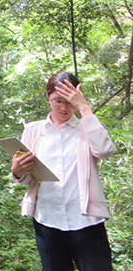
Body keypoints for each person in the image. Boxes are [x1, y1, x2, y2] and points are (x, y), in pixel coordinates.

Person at [10, 71, 115, 271]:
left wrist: (84, 106)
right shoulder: (33, 130)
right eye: (58, 100)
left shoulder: (88, 127)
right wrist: (17, 170)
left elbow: (105, 150)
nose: (64, 108)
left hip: (85, 221)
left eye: (69, 101)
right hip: (47, 221)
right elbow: (27, 178)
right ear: (48, 98)